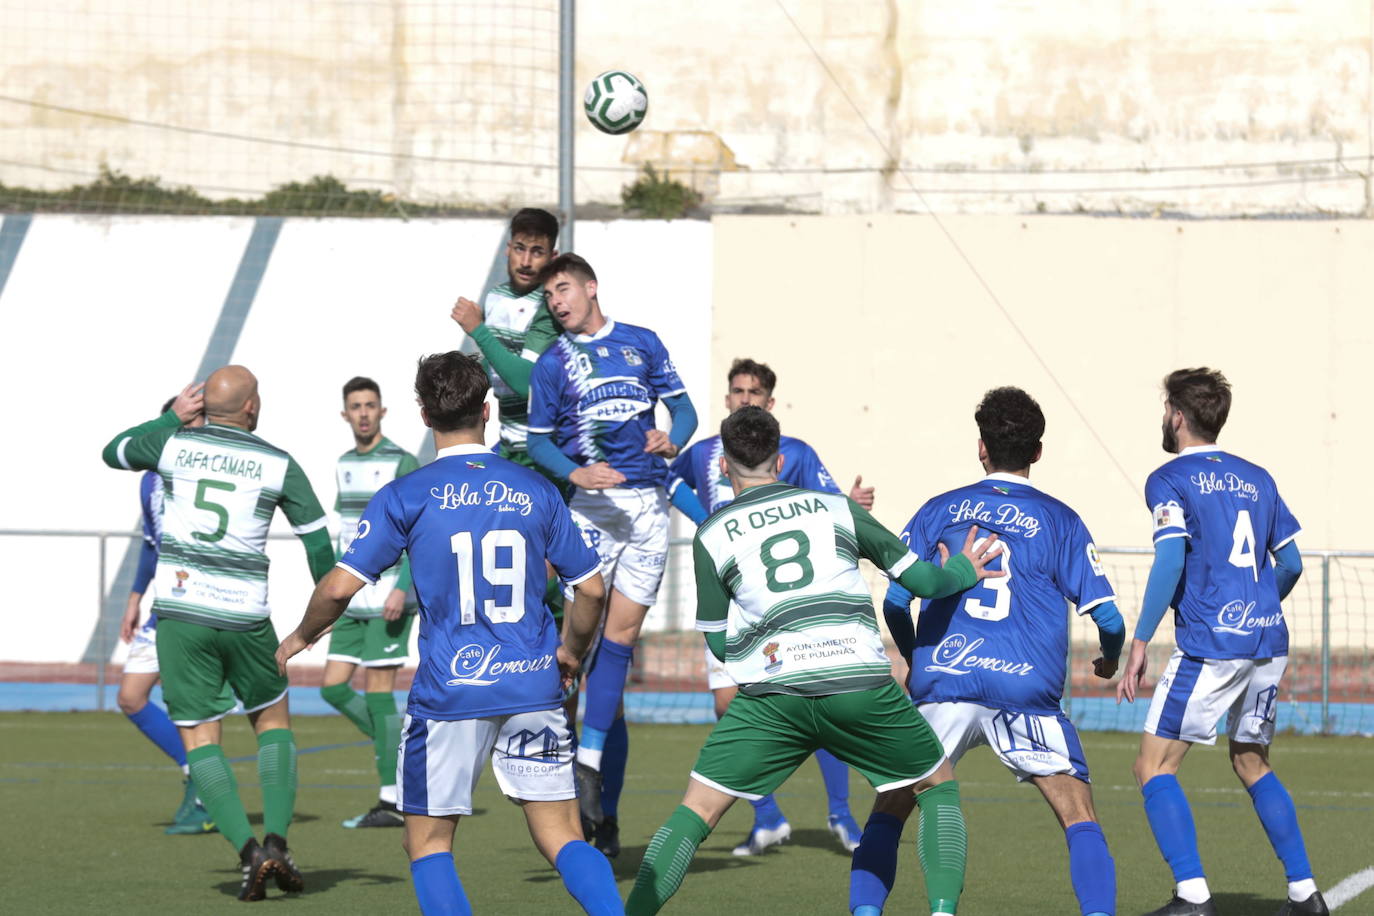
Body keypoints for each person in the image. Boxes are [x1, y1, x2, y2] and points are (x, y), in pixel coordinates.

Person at [275, 352, 622, 916]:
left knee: (428, 843)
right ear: (486, 411)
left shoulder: (406, 494)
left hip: (449, 694)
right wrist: (570, 652)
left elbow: (339, 589)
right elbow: (592, 590)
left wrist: (297, 639)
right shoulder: (536, 490)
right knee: (564, 838)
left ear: (422, 413)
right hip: (532, 685)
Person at [625, 406, 1003, 916]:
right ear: (780, 461)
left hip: (773, 695)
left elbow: (715, 640)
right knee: (936, 788)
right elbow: (924, 584)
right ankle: (940, 910)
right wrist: (964, 567)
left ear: (722, 466)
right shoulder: (837, 509)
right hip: (857, 683)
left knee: (696, 810)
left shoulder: (712, 534)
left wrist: (767, 656)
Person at [851, 387, 1123, 916]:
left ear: (981, 447)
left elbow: (897, 601)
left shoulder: (939, 510)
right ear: (1037, 452)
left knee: (891, 809)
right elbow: (1108, 618)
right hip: (1024, 688)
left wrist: (912, 658)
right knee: (1078, 813)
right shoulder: (1061, 519)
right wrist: (1110, 657)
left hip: (945, 679)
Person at [101, 365, 334, 901]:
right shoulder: (278, 462)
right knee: (272, 721)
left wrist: (168, 417)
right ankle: (277, 843)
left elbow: (113, 450)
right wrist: (317, 621)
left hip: (181, 617)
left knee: (200, 736)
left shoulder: (173, 446)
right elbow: (319, 545)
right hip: (247, 617)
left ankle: (248, 854)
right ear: (253, 408)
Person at [1117, 369, 1324, 916]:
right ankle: (1305, 895)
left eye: (1166, 408)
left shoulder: (1167, 479)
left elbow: (1170, 557)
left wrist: (1139, 642)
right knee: (1252, 762)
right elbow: (1292, 563)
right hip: (1268, 640)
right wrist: (1258, 603)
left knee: (1153, 767)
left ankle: (1193, 897)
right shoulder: (1259, 478)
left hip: (1213, 643)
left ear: (1178, 416)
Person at [525, 253, 704, 845]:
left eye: (563, 289)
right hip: (594, 511)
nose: (556, 301)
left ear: (590, 287)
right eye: (549, 295)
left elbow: (685, 409)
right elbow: (539, 443)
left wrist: (672, 438)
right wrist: (574, 476)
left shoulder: (642, 343)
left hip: (648, 507)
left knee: (621, 642)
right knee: (580, 635)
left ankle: (591, 767)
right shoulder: (554, 363)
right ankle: (557, 758)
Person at [668, 357, 875, 856]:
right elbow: (668, 480)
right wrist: (707, 518)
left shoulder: (793, 452)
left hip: (778, 602)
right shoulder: (703, 455)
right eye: (738, 391)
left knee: (813, 698)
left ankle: (842, 816)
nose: (745, 399)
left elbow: (826, 505)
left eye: (754, 392)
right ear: (726, 399)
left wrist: (846, 502)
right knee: (726, 705)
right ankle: (768, 818)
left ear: (770, 402)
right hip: (729, 595)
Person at [320, 376, 421, 828]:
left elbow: (421, 532)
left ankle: (391, 797)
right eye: (355, 406)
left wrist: (404, 587)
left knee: (379, 695)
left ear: (383, 411)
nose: (363, 412)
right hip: (353, 600)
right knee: (333, 687)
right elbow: (346, 528)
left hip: (388, 599)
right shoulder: (343, 463)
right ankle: (397, 750)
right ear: (344, 414)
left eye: (370, 405)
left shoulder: (402, 461)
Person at [117, 390, 215, 835]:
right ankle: (195, 770)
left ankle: (205, 794)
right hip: (163, 606)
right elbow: (151, 544)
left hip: (200, 607)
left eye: (196, 423)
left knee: (191, 704)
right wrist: (135, 597)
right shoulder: (149, 480)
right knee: (131, 697)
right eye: (182, 424)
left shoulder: (206, 477)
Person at [450, 207, 562, 474]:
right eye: (520, 249)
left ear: (552, 257)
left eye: (537, 252)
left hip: (545, 446)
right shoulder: (495, 297)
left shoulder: (550, 304)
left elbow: (527, 385)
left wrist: (478, 330)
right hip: (509, 442)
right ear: (508, 248)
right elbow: (496, 366)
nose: (525, 261)